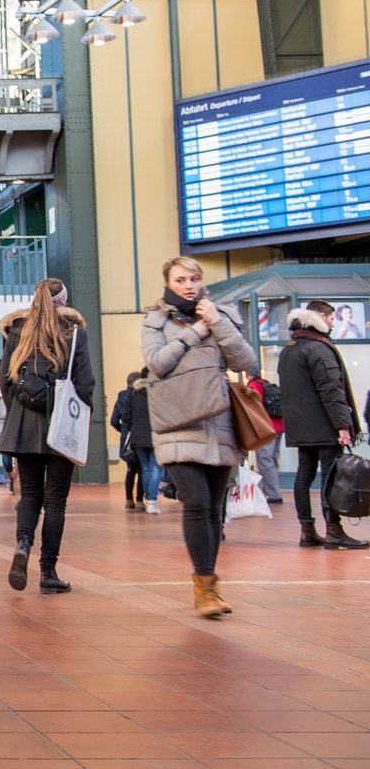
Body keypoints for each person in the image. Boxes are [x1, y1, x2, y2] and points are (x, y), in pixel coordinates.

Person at [143, 257, 256, 618]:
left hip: (219, 423)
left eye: (193, 279)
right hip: (177, 423)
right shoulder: (156, 320)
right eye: (180, 280)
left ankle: (209, 586)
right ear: (168, 284)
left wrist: (216, 322)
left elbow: (244, 361)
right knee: (196, 501)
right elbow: (156, 363)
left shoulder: (221, 314)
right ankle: (205, 587)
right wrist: (195, 332)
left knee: (213, 509)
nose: (188, 286)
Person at [0, 278, 94, 594]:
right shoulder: (74, 333)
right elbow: (85, 384)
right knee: (55, 502)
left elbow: (5, 381)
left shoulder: (17, 332)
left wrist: (20, 410)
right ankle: (48, 572)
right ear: (63, 301)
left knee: (30, 495)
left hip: (25, 427)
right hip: (61, 425)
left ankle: (23, 544)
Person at [277, 300, 366, 550]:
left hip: (300, 427)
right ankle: (334, 531)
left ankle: (307, 531)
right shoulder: (319, 347)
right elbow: (331, 390)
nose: (332, 323)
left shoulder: (289, 349)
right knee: (331, 478)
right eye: (330, 318)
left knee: (304, 476)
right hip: (324, 426)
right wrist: (343, 425)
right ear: (319, 317)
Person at [246, 372, 284, 506]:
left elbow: (254, 408)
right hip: (278, 426)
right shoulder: (265, 383)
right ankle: (272, 491)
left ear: (247, 374)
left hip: (265, 428)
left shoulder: (253, 386)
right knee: (272, 460)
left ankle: (273, 494)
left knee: (265, 461)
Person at [129, 368, 161, 514]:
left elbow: (126, 415)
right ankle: (151, 500)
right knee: (155, 468)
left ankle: (148, 499)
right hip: (155, 433)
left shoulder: (134, 393)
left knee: (146, 468)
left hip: (138, 436)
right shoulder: (158, 391)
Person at [111, 372, 143, 511]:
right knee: (141, 469)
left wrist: (124, 431)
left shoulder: (121, 397)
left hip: (127, 439)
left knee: (130, 469)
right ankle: (140, 500)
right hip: (140, 437)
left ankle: (129, 500)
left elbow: (114, 421)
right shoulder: (141, 397)